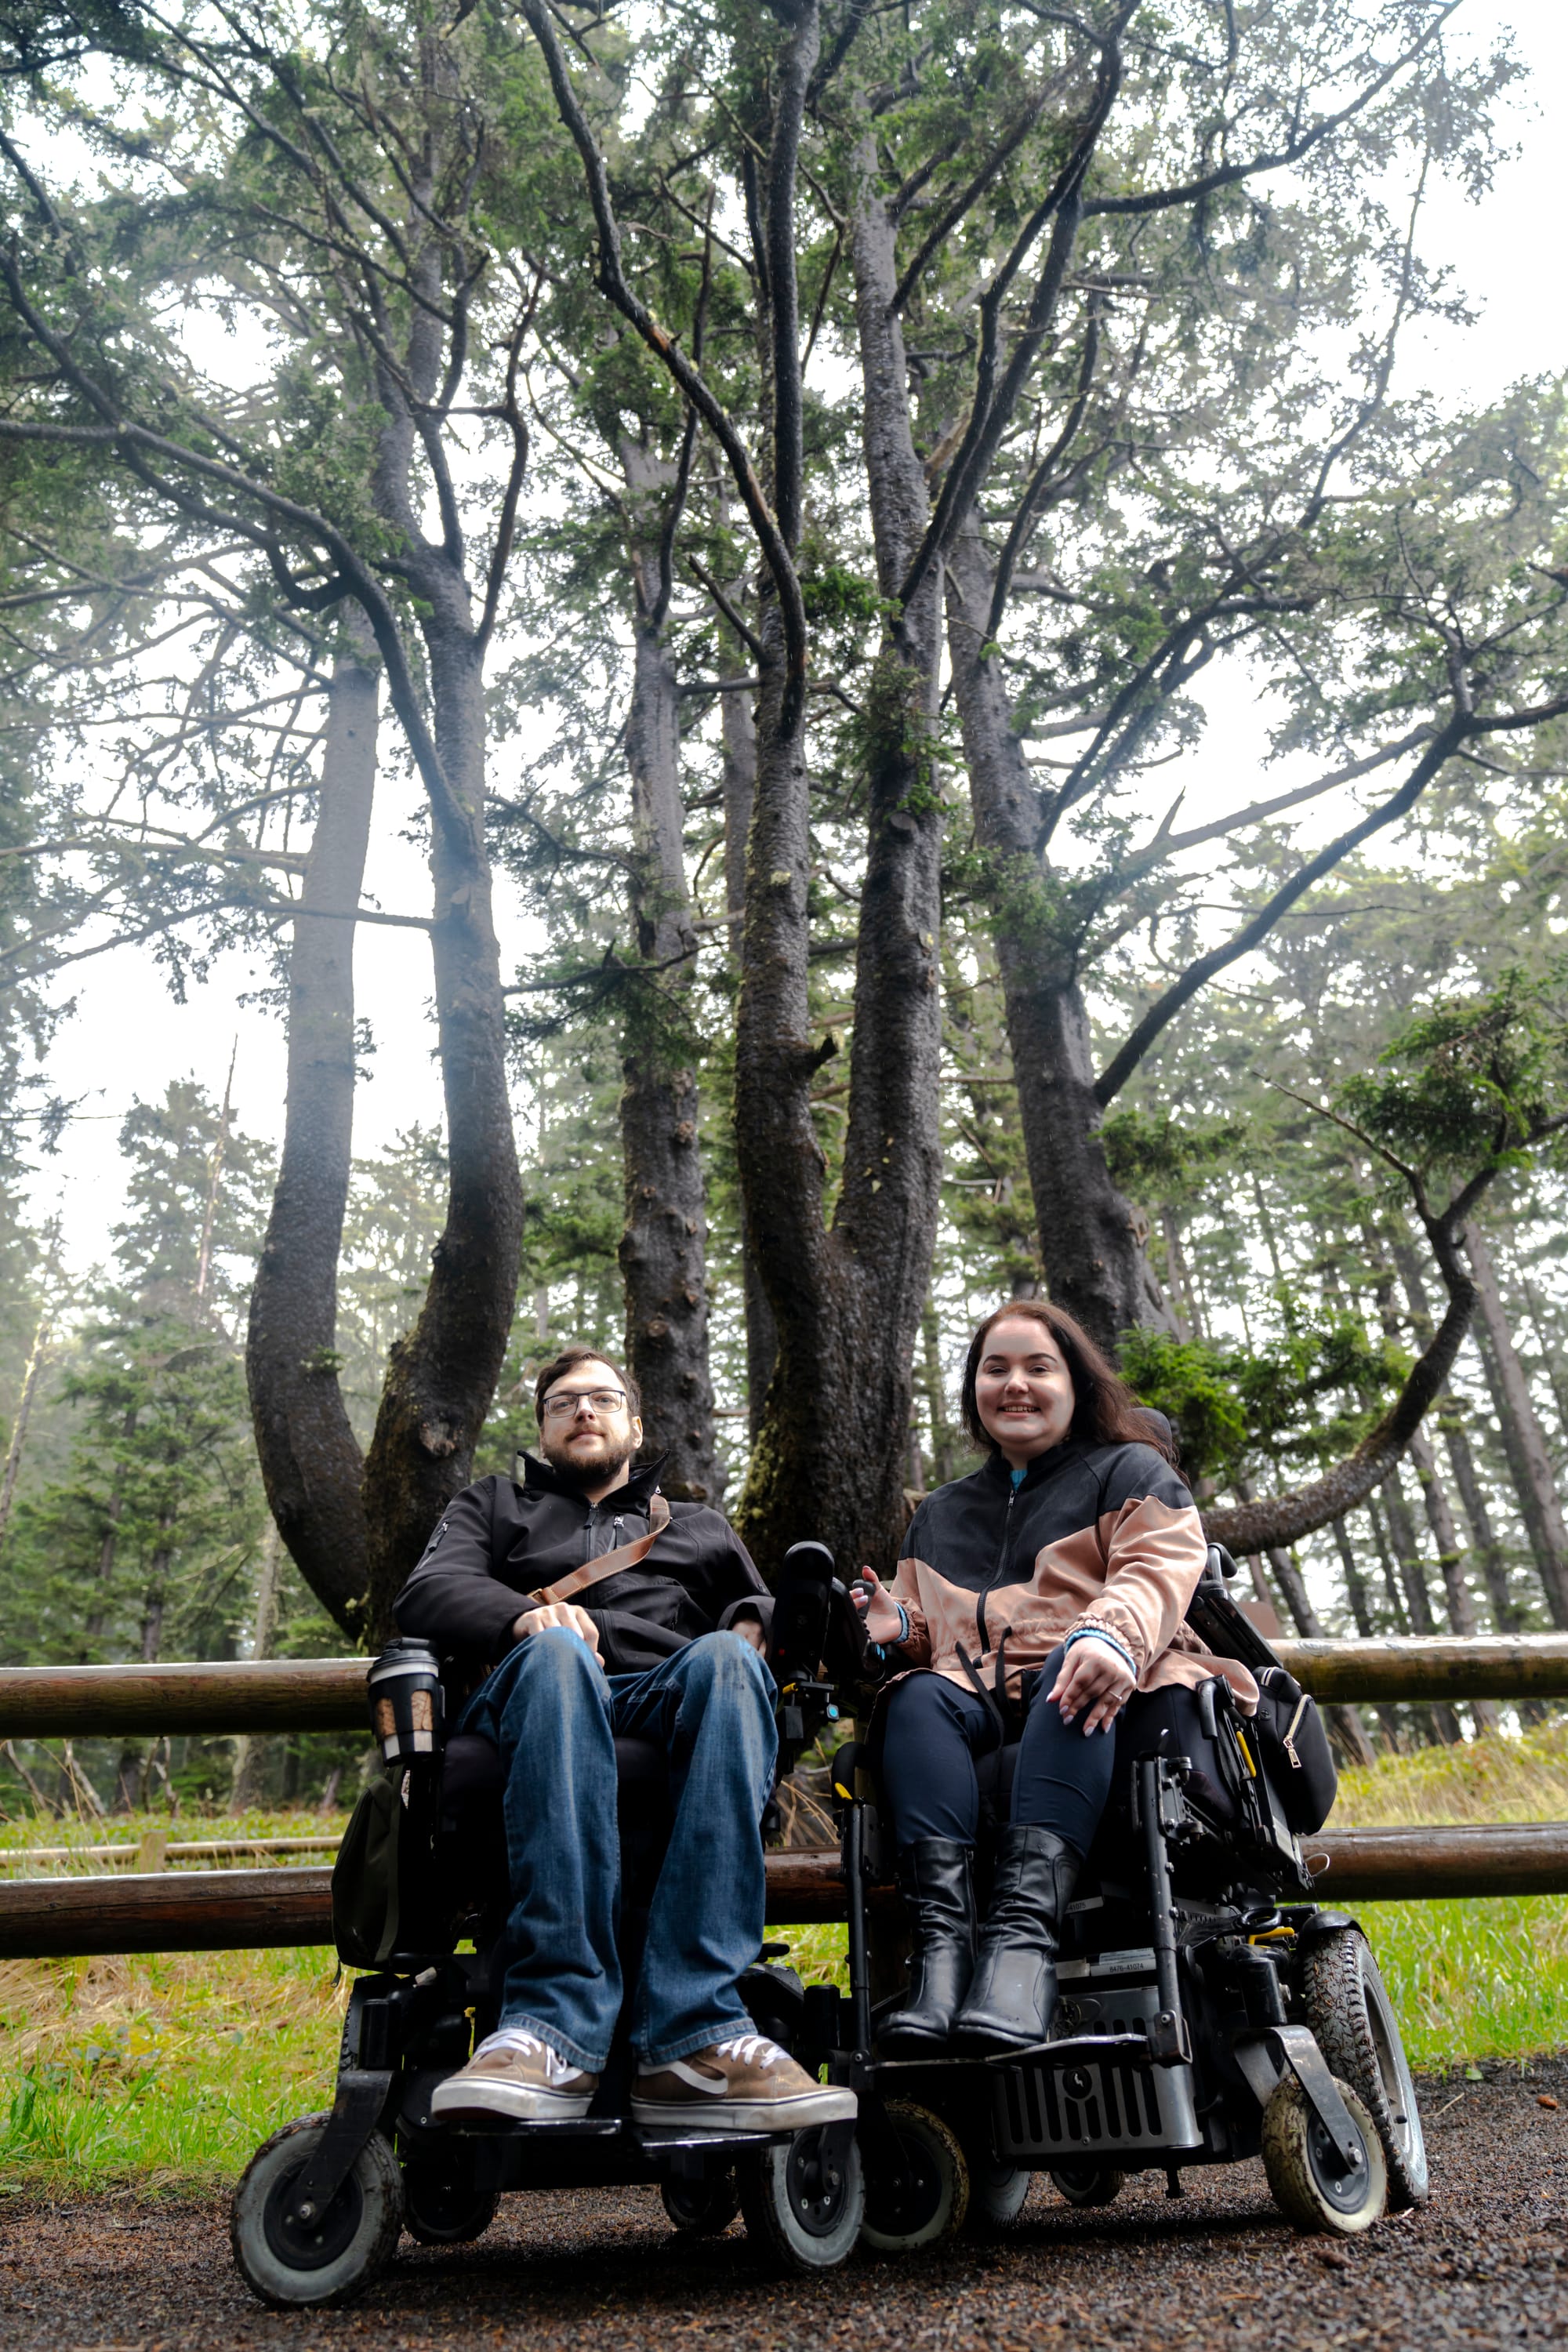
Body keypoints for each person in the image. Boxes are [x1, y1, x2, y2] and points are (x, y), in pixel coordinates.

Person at [394, 1341, 855, 2136]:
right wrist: (520, 1616)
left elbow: (772, 1623)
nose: (583, 1410)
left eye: (603, 1400)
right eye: (563, 1401)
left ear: (635, 1428)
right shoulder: (494, 1504)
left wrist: (757, 1619)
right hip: (534, 1691)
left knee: (724, 1663)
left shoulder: (700, 1528)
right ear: (541, 1431)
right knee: (557, 1656)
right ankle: (549, 2028)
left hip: (662, 1696)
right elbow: (429, 1590)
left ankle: (696, 2033)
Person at [854, 1300, 1259, 2056]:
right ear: (973, 1389)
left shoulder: (1130, 1471)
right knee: (911, 1701)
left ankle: (1021, 1946)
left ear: (1075, 1383)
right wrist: (900, 1629)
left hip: (1103, 1676)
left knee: (1073, 1671)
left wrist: (1111, 1635)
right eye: (995, 1368)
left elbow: (1156, 1570)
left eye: (1039, 1367)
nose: (1016, 1384)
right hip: (976, 1694)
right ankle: (943, 1956)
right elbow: (934, 1633)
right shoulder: (937, 1514)